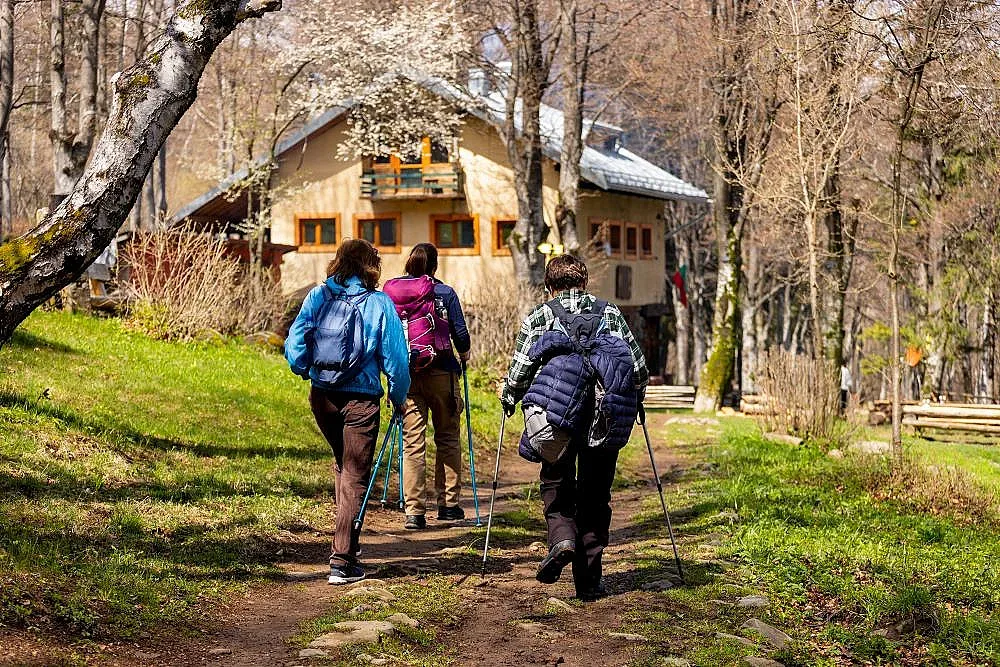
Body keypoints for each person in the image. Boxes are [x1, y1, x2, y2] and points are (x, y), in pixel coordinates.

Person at [500, 254, 648, 600]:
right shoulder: (609, 312)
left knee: (556, 483)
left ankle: (562, 538)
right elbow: (637, 368)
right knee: (596, 496)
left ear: (549, 287)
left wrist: (509, 397)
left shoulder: (540, 315)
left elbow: (521, 371)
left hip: (556, 418)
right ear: (584, 283)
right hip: (603, 415)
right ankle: (589, 580)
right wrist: (635, 399)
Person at [284, 239, 410, 585]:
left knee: (343, 466)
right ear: (372, 266)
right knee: (354, 474)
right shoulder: (379, 303)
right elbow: (397, 360)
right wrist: (398, 397)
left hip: (322, 396)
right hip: (361, 399)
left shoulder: (318, 296)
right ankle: (341, 559)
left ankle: (348, 550)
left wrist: (308, 369)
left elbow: (294, 346)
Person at [384, 243, 472, 530]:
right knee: (447, 437)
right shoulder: (444, 292)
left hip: (407, 375)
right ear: (434, 266)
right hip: (442, 373)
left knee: (413, 443)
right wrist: (465, 353)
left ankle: (414, 511)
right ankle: (448, 506)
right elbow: (460, 332)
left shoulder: (394, 294)